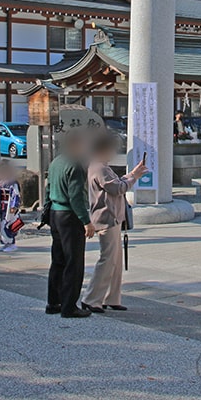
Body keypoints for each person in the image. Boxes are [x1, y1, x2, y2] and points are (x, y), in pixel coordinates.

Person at [81, 134, 148, 314]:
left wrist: (133, 174)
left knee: (115, 261)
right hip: (107, 218)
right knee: (108, 259)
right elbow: (117, 188)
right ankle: (91, 298)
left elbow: (117, 183)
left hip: (113, 217)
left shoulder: (101, 167)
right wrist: (134, 178)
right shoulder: (99, 167)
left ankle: (111, 297)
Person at [46, 130, 94, 318]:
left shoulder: (56, 162)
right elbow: (76, 197)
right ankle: (69, 306)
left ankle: (53, 302)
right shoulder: (74, 165)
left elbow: (48, 188)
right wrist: (86, 221)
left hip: (55, 213)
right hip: (69, 215)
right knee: (74, 262)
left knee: (58, 260)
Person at [0, 162, 21, 252]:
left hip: (9, 207)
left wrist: (14, 206)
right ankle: (4, 243)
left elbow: (16, 194)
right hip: (2, 207)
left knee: (9, 225)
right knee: (2, 225)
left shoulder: (13, 182)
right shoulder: (1, 182)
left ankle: (11, 243)